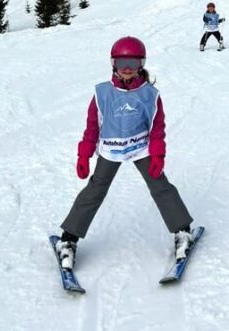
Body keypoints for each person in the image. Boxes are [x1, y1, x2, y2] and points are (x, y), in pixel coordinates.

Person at [55, 37, 196, 270]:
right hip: (111, 149)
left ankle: (182, 231)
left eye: (132, 62)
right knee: (95, 190)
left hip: (140, 147)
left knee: (160, 186)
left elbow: (157, 128)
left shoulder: (150, 94)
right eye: (121, 64)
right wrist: (84, 155)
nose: (127, 69)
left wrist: (158, 155)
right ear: (113, 64)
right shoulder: (102, 93)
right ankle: (68, 239)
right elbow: (92, 126)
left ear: (141, 64)